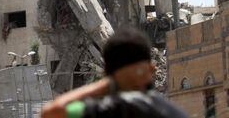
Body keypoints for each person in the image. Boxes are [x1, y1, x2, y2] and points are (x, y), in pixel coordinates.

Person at [41, 28, 188, 118]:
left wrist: (110, 83)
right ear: (152, 69)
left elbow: (52, 112)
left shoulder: (108, 111)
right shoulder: (175, 113)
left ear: (107, 73)